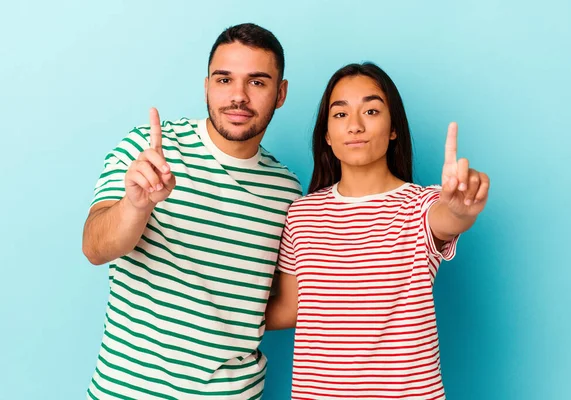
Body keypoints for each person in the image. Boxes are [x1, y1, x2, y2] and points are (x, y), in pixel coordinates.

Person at [82, 23, 302, 399]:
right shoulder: (148, 150)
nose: (238, 97)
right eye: (224, 80)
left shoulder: (288, 191)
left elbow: (278, 304)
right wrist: (137, 205)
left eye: (257, 82)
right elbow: (95, 247)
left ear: (280, 93)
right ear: (206, 86)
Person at [266, 62, 490, 399]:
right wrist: (213, 310)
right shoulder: (302, 214)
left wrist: (460, 210)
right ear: (327, 134)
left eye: (370, 111)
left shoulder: (421, 206)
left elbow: (446, 218)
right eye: (340, 114)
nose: (354, 126)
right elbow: (291, 307)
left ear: (393, 128)